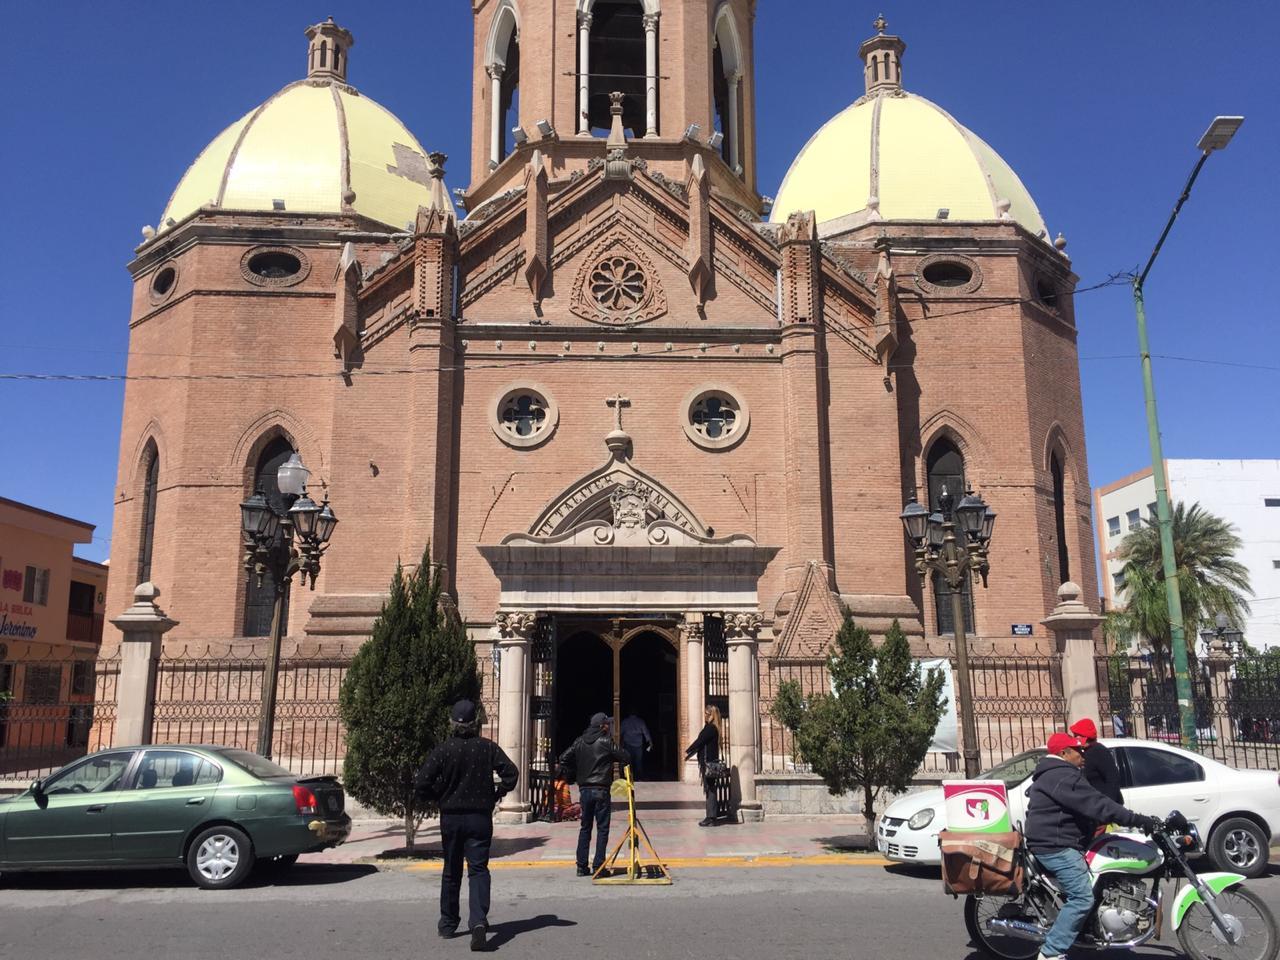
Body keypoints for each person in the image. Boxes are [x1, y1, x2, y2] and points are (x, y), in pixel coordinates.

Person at [1026, 732, 1161, 960]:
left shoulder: (1058, 774)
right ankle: (1050, 953)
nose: (1083, 754)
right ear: (1063, 753)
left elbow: (1092, 804)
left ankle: (1089, 927)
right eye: (1078, 750)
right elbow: (1097, 803)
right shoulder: (1062, 776)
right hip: (1055, 846)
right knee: (1082, 898)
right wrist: (1138, 819)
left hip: (1057, 840)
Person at [414, 699, 519, 952]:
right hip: (479, 818)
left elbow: (421, 784)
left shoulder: (443, 750)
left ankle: (448, 924)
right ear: (476, 723)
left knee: (451, 870)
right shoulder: (487, 748)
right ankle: (479, 921)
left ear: (452, 722)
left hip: (451, 818)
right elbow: (511, 774)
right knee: (479, 870)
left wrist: (440, 796)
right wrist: (496, 794)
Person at [559, 712, 631, 877]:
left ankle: (581, 866)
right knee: (602, 829)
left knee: (585, 827)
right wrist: (622, 771)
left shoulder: (579, 741)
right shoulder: (606, 741)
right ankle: (599, 867)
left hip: (584, 790)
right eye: (607, 724)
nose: (608, 727)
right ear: (601, 726)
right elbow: (625, 755)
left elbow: (563, 758)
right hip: (601, 790)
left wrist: (575, 772)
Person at [684, 705, 724, 827]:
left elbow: (700, 741)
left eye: (708, 714)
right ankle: (711, 816)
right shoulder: (711, 727)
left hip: (708, 763)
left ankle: (711, 817)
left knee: (710, 789)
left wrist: (688, 750)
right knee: (709, 788)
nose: (705, 716)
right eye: (705, 713)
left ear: (713, 715)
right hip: (708, 763)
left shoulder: (711, 729)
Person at [1069, 717, 1123, 804]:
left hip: (1106, 805)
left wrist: (1107, 804)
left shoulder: (1099, 751)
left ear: (1084, 737)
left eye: (1076, 736)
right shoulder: (1085, 752)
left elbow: (1113, 778)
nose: (1074, 738)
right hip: (1094, 804)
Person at [620, 711, 653, 781]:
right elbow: (645, 732)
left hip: (627, 744)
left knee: (628, 762)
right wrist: (650, 742)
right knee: (638, 762)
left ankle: (628, 778)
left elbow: (620, 733)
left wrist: (619, 743)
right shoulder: (640, 721)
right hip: (638, 744)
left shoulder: (625, 721)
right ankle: (639, 778)